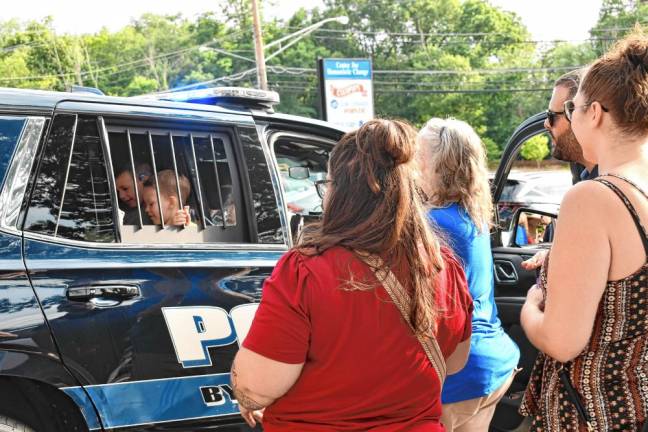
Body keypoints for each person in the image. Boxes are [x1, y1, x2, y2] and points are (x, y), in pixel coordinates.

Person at [230, 119, 474, 431]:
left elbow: (254, 387)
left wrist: (245, 393)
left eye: (327, 185)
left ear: (342, 191)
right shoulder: (446, 267)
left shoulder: (305, 271)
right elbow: (455, 362)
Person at [519, 29, 648, 431]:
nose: (566, 120)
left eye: (570, 108)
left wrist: (531, 303)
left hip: (593, 414)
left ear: (594, 113)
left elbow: (562, 341)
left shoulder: (593, 198)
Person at [417, 118, 520, 432]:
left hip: (458, 372)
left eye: (417, 157)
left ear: (435, 165)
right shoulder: (468, 216)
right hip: (495, 363)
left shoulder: (433, 223)